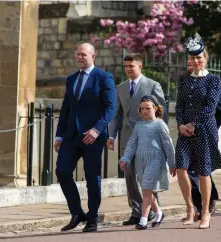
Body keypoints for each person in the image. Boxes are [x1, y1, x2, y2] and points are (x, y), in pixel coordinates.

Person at [54, 43, 116, 232]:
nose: (80, 57)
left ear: (93, 56)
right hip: (71, 136)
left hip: (93, 138)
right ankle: (77, 213)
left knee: (92, 178)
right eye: (78, 54)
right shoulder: (72, 79)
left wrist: (97, 130)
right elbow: (66, 108)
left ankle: (92, 218)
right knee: (62, 172)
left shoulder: (103, 78)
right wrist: (59, 135)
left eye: (83, 54)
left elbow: (110, 108)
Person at [107, 53, 167, 226]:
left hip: (147, 137)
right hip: (127, 137)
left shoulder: (152, 85)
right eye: (125, 66)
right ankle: (136, 211)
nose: (127, 69)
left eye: (131, 66)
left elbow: (160, 112)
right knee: (129, 174)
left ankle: (156, 211)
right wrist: (111, 136)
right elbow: (116, 114)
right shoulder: (121, 87)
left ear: (139, 66)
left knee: (147, 177)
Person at [175, 33, 221, 229]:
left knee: (203, 172)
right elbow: (179, 106)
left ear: (205, 58)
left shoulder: (214, 80)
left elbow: (210, 107)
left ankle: (205, 212)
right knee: (181, 168)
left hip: (204, 129)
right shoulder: (184, 80)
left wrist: (193, 124)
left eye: (199, 58)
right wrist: (181, 125)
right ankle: (190, 208)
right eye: (193, 58)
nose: (196, 61)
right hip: (184, 130)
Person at [120, 96, 176, 230]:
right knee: (147, 190)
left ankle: (143, 220)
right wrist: (126, 158)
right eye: (142, 108)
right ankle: (159, 213)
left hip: (156, 160)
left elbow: (168, 145)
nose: (145, 111)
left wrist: (173, 163)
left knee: (146, 189)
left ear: (155, 109)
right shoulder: (139, 125)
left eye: (148, 108)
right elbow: (132, 144)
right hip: (141, 162)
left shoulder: (160, 124)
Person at [184, 57, 221, 218]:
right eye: (188, 62)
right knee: (188, 168)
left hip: (204, 132)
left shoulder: (211, 82)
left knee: (200, 168)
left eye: (193, 61)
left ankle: (206, 204)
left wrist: (211, 127)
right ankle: (199, 205)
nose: (190, 64)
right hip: (187, 132)